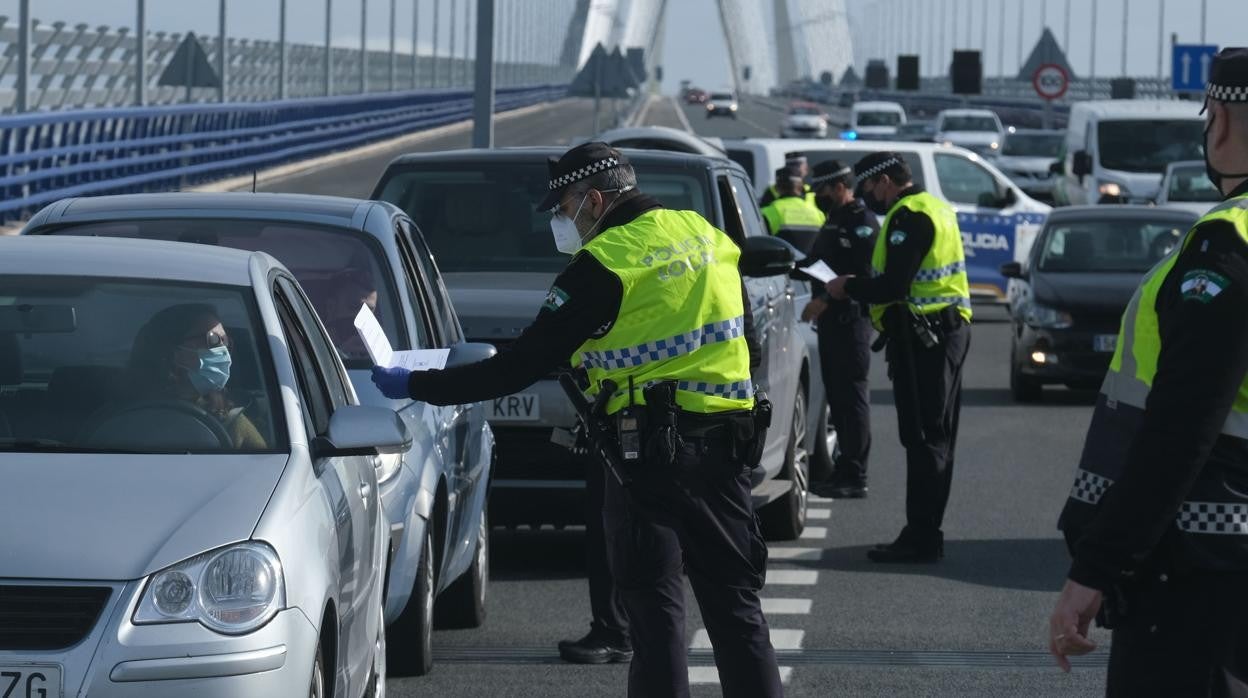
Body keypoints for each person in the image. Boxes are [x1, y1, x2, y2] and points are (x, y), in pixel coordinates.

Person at [371, 142, 783, 697]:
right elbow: (745, 339)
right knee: (736, 610)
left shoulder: (604, 264)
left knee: (656, 615)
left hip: (648, 462)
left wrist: (416, 383)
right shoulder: (706, 236)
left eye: (562, 208)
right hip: (726, 449)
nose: (561, 222)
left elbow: (516, 368)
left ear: (593, 199)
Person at [1049, 48, 1248, 696]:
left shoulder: (1226, 247)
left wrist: (1095, 569)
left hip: (1202, 575)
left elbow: (1181, 428)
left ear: (1217, 121)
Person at [824, 152, 971, 563]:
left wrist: (848, 286)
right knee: (935, 438)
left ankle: (921, 536)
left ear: (886, 181)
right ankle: (924, 532)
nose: (868, 197)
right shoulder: (936, 207)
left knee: (925, 440)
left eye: (870, 188)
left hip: (926, 339)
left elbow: (894, 285)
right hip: (943, 332)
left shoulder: (909, 217)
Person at [801, 160, 879, 499]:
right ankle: (842, 468)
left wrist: (825, 302)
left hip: (850, 321)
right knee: (837, 398)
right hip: (834, 325)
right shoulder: (835, 219)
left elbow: (861, 277)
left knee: (851, 401)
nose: (817, 195)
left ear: (839, 187)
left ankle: (855, 474)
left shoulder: (861, 222)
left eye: (822, 188)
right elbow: (822, 265)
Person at [129, 302, 266, 449]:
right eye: (213, 339)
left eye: (226, 342)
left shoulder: (233, 424)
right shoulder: (122, 416)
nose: (223, 349)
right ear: (174, 352)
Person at [759, 167, 825, 249]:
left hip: (780, 261)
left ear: (777, 188)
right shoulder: (818, 214)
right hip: (811, 261)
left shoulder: (768, 212)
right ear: (801, 188)